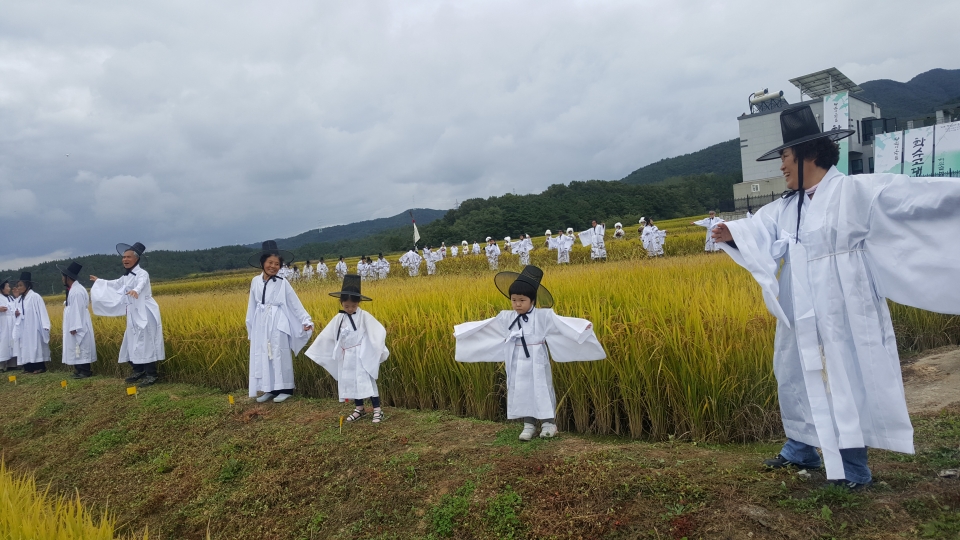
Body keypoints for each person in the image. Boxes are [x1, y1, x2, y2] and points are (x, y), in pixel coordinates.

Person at [711, 104, 960, 490]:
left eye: (785, 157)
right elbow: (758, 232)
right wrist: (733, 233)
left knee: (847, 376)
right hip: (799, 305)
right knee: (793, 371)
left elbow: (919, 198)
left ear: (808, 154)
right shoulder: (786, 207)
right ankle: (800, 447)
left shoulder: (858, 191)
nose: (781, 167)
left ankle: (854, 466)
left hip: (845, 304)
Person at [453, 265, 606, 440]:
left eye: (522, 300)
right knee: (522, 389)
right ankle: (529, 424)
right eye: (514, 300)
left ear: (532, 300)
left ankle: (549, 423)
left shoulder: (544, 316)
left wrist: (581, 329)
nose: (517, 304)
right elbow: (485, 328)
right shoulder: (506, 317)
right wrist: (462, 333)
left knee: (541, 388)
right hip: (516, 359)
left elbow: (561, 326)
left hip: (537, 358)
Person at [306, 274, 389, 424]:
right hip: (347, 356)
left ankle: (377, 410)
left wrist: (375, 349)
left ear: (358, 303)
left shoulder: (364, 316)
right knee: (351, 382)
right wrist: (318, 349)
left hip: (361, 355)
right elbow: (328, 335)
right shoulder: (339, 318)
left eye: (353, 306)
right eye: (346, 306)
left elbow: (377, 331)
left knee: (366, 382)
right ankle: (359, 409)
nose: (350, 309)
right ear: (341, 303)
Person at [245, 241, 314, 403]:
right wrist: (251, 327)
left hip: (277, 322)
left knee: (279, 352)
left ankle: (286, 389)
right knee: (264, 355)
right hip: (260, 322)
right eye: (270, 263)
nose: (273, 266)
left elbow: (294, 303)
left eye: (277, 264)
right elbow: (252, 305)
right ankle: (269, 389)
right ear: (263, 263)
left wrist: (306, 320)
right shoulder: (255, 281)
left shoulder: (283, 282)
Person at [90, 242, 164, 386]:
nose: (125, 259)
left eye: (128, 257)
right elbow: (116, 283)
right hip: (133, 311)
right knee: (131, 340)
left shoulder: (142, 273)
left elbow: (141, 283)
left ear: (136, 259)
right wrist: (100, 281)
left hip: (144, 311)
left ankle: (151, 374)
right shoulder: (126, 276)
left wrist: (136, 290)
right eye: (123, 257)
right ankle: (138, 370)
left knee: (146, 341)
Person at [58, 262, 96, 379]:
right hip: (75, 321)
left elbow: (77, 309)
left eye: (63, 276)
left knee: (81, 345)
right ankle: (79, 369)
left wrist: (74, 326)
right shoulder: (73, 290)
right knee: (76, 346)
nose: (62, 279)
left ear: (67, 278)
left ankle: (85, 370)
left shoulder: (77, 291)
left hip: (79, 323)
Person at [12, 272, 51, 374]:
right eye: (18, 286)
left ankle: (40, 367)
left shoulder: (35, 297)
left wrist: (45, 325)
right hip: (23, 327)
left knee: (35, 345)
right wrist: (16, 314)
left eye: (21, 285)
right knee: (24, 346)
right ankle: (28, 367)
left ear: (27, 285)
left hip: (34, 327)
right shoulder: (19, 300)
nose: (18, 288)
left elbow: (42, 311)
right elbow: (16, 311)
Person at [0, 278, 16, 372]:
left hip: (11, 324)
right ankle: (1, 366)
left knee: (12, 343)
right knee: (3, 344)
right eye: (7, 286)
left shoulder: (10, 298)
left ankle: (12, 364)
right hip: (2, 325)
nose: (9, 288)